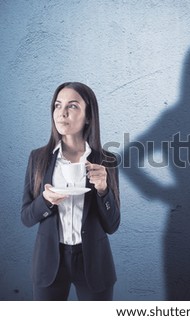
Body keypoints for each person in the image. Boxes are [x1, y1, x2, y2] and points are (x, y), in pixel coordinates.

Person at [21, 82, 120, 300]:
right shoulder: (38, 159)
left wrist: (104, 190)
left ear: (88, 116)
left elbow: (112, 226)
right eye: (58, 105)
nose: (62, 113)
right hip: (49, 263)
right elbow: (26, 217)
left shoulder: (107, 161)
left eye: (72, 106)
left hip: (94, 263)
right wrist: (45, 200)